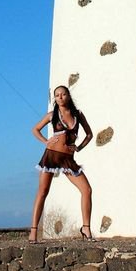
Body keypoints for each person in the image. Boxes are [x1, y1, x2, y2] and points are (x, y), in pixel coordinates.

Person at [29, 85, 94, 242]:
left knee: (86, 190)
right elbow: (35, 129)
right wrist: (46, 141)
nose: (60, 97)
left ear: (68, 96)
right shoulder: (52, 115)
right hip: (51, 157)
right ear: (55, 99)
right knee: (43, 191)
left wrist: (79, 147)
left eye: (63, 94)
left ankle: (86, 228)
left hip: (68, 159)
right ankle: (33, 231)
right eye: (57, 95)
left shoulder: (78, 115)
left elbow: (89, 134)